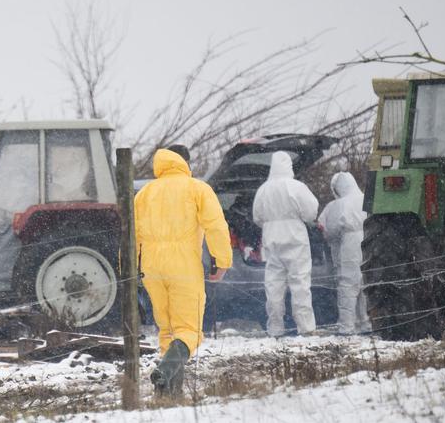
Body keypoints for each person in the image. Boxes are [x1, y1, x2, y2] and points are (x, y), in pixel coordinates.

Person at [135, 148, 232, 396]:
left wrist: (130, 268)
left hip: (151, 267)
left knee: (167, 330)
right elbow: (216, 226)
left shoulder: (144, 193)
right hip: (183, 266)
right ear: (185, 162)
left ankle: (169, 394)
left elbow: (132, 235)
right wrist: (221, 261)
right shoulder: (196, 188)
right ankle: (165, 371)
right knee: (190, 331)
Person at [252, 151, 319, 336]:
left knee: (273, 286)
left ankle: (275, 328)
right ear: (289, 165)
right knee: (300, 284)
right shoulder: (296, 187)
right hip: (295, 238)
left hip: (271, 240)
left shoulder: (263, 189)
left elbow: (257, 217)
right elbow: (311, 212)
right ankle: (306, 328)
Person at [318, 172, 372, 335]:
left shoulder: (338, 205)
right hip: (369, 240)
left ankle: (346, 326)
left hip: (350, 244)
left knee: (348, 284)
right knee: (365, 284)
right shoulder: (367, 199)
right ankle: (366, 322)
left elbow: (329, 231)